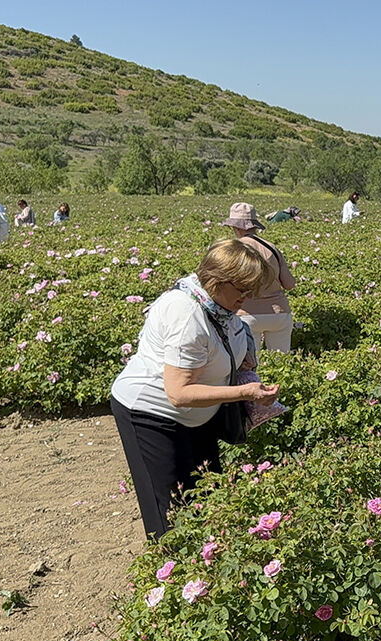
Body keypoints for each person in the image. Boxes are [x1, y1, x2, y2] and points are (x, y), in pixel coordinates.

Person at [110, 239, 279, 539]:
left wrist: (243, 361)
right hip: (152, 413)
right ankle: (172, 574)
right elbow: (178, 393)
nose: (249, 296)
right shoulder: (186, 314)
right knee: (172, 512)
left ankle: (206, 570)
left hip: (198, 415)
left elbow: (223, 344)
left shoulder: (219, 306)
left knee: (208, 497)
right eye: (243, 288)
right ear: (216, 281)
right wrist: (245, 393)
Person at [222, 202, 297, 353]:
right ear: (254, 225)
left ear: (236, 227)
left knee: (250, 368)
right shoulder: (272, 248)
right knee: (281, 364)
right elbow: (289, 284)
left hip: (247, 316)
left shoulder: (233, 249)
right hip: (279, 314)